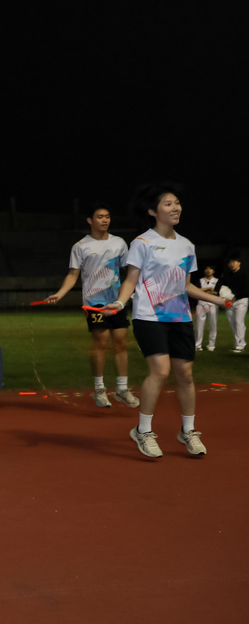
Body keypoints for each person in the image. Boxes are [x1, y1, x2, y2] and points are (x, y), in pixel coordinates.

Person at [105, 184, 228, 459]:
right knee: (160, 371)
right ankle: (143, 431)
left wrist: (216, 299)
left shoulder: (187, 245)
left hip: (179, 316)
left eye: (177, 203)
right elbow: (131, 279)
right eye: (168, 204)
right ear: (153, 211)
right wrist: (121, 302)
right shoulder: (142, 243)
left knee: (185, 374)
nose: (176, 208)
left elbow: (186, 285)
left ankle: (188, 431)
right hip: (149, 316)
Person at [43, 204, 137, 407]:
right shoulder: (80, 246)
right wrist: (60, 294)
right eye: (100, 217)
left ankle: (122, 389)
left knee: (120, 343)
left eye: (107, 216)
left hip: (116, 301)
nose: (105, 220)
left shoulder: (119, 243)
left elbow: (130, 272)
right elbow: (73, 274)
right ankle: (99, 389)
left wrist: (130, 295)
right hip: (94, 302)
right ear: (90, 220)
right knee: (101, 342)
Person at [217, 256, 245, 352]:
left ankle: (240, 345)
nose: (232, 264)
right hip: (229, 301)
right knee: (232, 322)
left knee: (239, 322)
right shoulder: (226, 275)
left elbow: (245, 289)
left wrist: (235, 298)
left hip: (241, 300)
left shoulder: (244, 274)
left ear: (239, 263)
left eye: (234, 262)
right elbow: (221, 287)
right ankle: (238, 343)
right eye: (230, 262)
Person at [193, 265, 219, 351]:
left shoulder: (217, 281)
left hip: (212, 304)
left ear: (213, 271)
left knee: (213, 325)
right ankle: (198, 345)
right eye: (207, 268)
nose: (208, 270)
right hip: (201, 304)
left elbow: (217, 292)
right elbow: (196, 291)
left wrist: (203, 292)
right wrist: (209, 290)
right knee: (199, 325)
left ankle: (211, 345)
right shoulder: (200, 280)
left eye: (210, 269)